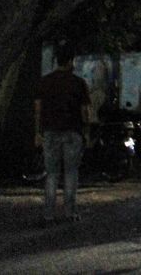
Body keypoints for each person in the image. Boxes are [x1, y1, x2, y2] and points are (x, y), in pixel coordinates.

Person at [33, 43, 91, 224]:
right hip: (72, 132)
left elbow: (38, 109)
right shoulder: (79, 83)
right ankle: (70, 212)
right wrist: (87, 132)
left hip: (50, 132)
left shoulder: (44, 82)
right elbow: (85, 112)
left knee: (51, 174)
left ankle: (48, 214)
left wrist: (37, 132)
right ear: (70, 61)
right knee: (71, 173)